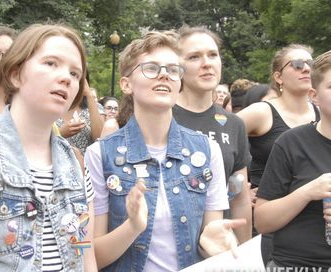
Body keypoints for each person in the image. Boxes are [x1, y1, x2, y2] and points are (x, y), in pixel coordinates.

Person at [85, 30, 244, 271]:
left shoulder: (207, 151)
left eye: (172, 70)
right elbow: (92, 258)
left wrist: (209, 244)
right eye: (151, 68)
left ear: (179, 83)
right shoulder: (100, 154)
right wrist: (133, 227)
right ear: (126, 84)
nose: (164, 75)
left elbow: (209, 240)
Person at [0, 23, 97, 271]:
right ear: (15, 74)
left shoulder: (77, 164)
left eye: (75, 74)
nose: (66, 78)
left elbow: (84, 254)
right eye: (51, 63)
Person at [254, 47, 331, 270]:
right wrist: (307, 192)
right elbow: (263, 222)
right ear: (314, 96)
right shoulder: (291, 143)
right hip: (294, 265)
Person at [237, 44, 321, 266]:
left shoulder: (324, 113)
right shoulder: (262, 111)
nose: (306, 69)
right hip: (272, 225)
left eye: (311, 64)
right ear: (278, 77)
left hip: (317, 226)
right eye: (297, 64)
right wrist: (236, 186)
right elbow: (217, 138)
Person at [173, 25, 252, 244]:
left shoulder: (234, 124)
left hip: (219, 247)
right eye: (194, 57)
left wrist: (245, 256)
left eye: (212, 55)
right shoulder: (161, 116)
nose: (206, 63)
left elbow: (239, 195)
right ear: (177, 66)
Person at [56, 78, 105, 154]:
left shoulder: (95, 107)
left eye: (75, 75)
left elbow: (99, 139)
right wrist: (60, 133)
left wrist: (89, 95)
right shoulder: (50, 107)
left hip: (87, 163)